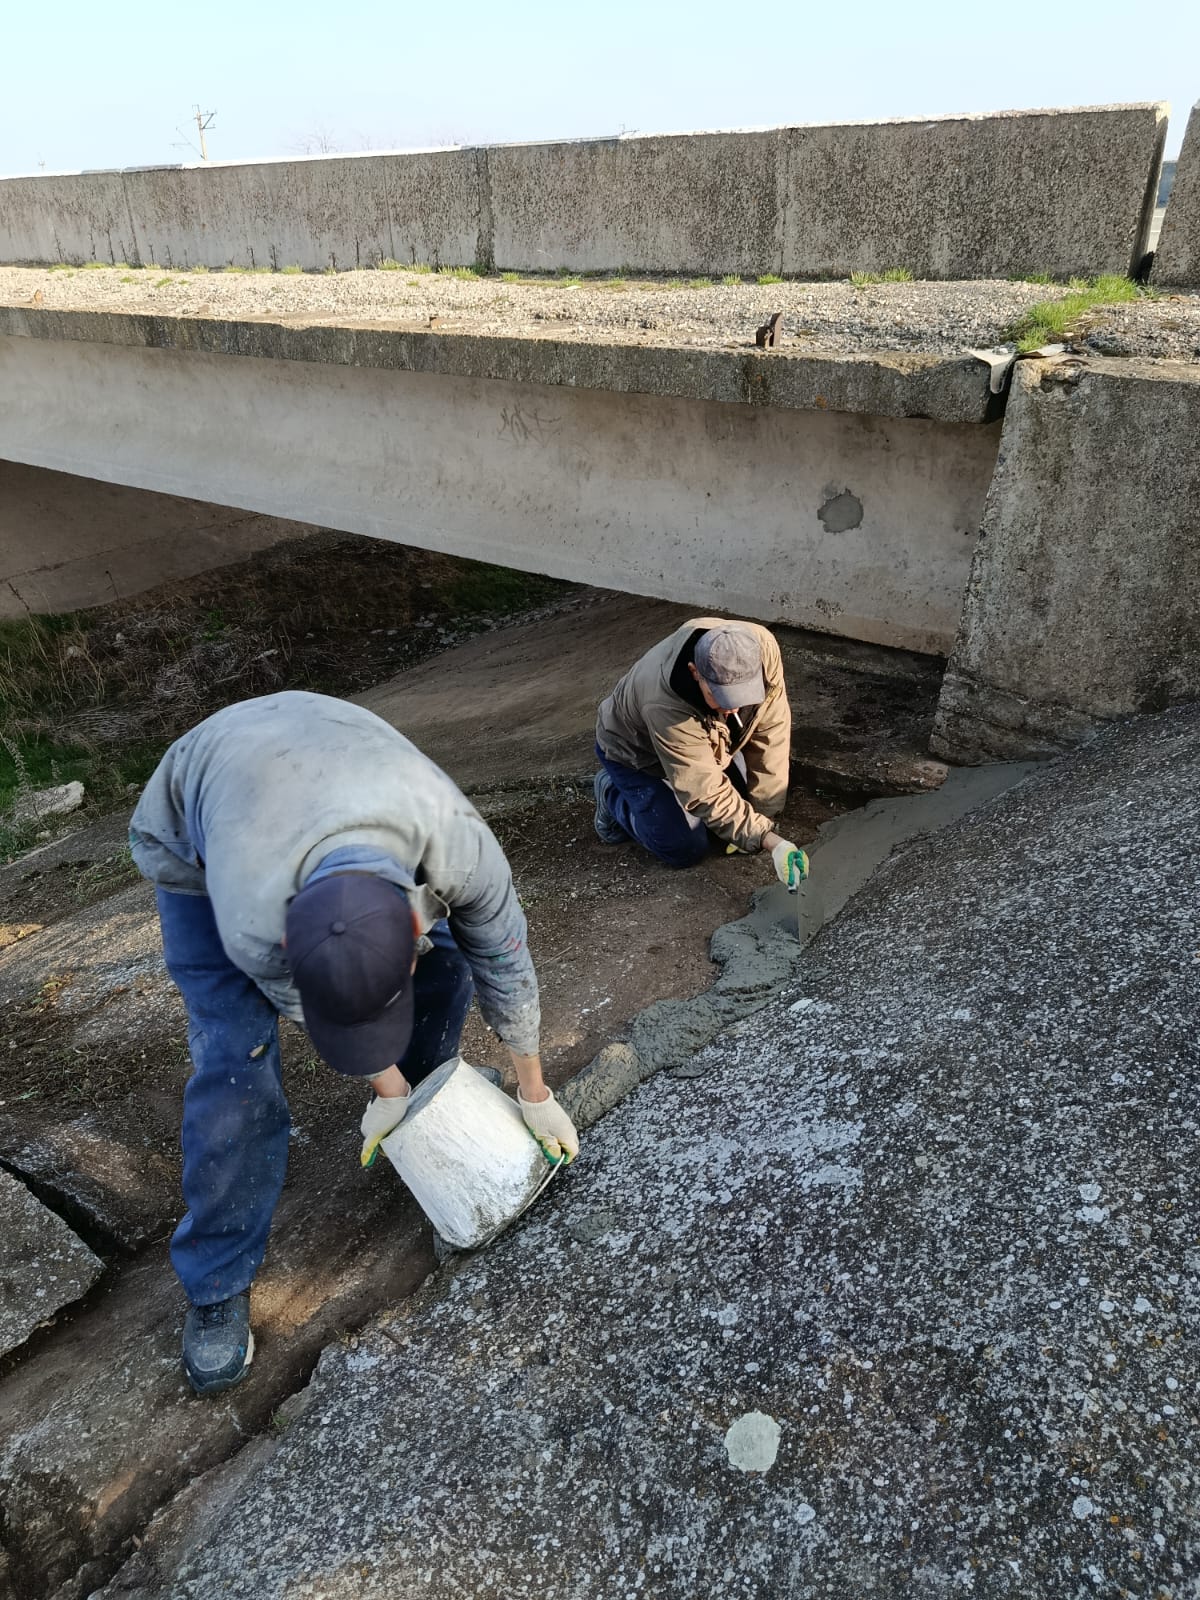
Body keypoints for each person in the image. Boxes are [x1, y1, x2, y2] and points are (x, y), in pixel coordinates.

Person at [130, 690, 578, 1397]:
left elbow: (504, 957)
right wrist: (385, 1090)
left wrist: (535, 1089)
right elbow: (323, 1003)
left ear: (414, 923)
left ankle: (436, 1099)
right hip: (201, 823)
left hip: (336, 757)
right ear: (288, 947)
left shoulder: (458, 846)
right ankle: (216, 1279)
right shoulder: (250, 923)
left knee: (455, 963)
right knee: (235, 1062)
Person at [594, 618, 807, 887]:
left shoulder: (760, 648)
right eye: (721, 696)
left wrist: (764, 816)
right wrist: (770, 841)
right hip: (637, 754)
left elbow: (771, 733)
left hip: (704, 743)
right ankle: (611, 793)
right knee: (684, 846)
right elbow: (704, 790)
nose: (733, 708)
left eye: (743, 694)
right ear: (695, 672)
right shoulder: (664, 702)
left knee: (743, 816)